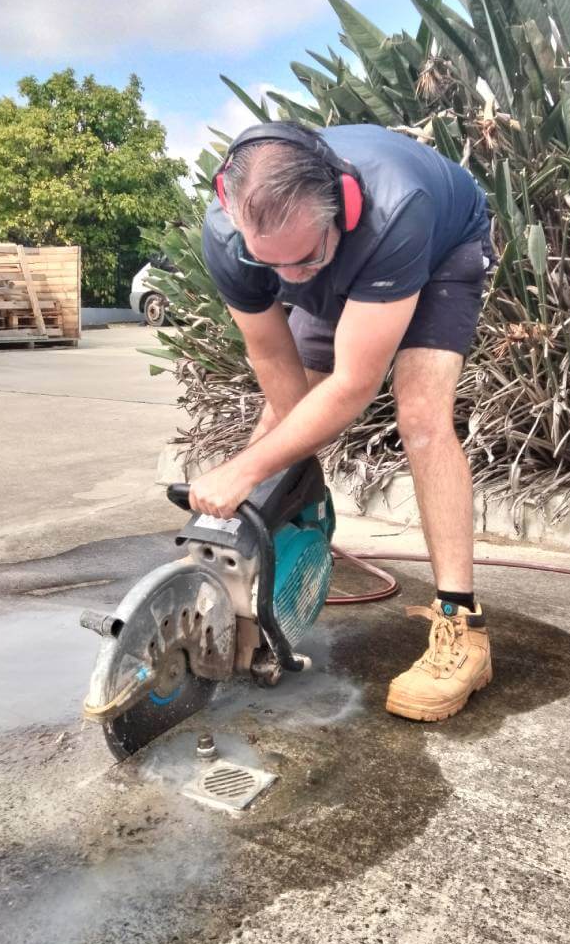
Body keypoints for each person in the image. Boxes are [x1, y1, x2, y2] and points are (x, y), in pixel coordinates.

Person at [191, 121, 493, 722]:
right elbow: (275, 361)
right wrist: (285, 479)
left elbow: (355, 386)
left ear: (343, 208)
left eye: (303, 260)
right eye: (269, 264)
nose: (291, 280)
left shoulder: (396, 212)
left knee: (422, 417)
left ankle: (465, 631)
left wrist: (243, 468)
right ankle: (236, 583)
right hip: (340, 247)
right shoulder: (232, 240)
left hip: (438, 250)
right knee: (283, 413)